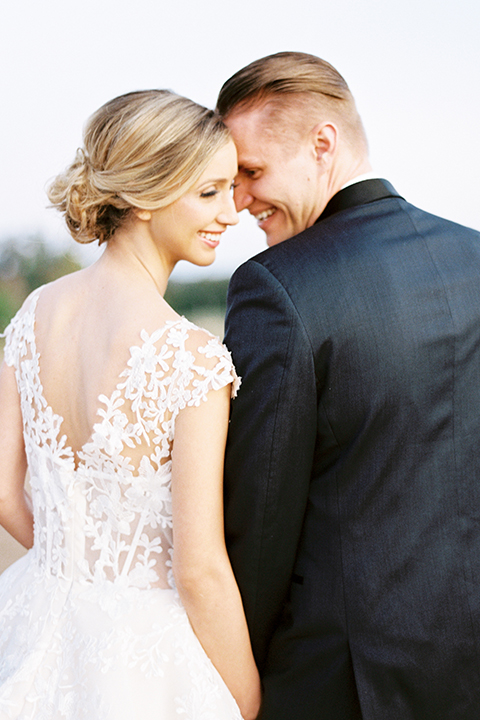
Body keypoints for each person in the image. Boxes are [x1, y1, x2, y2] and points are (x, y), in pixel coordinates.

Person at [217, 51, 480, 719]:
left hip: (339, 683)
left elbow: (259, 517)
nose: (240, 199)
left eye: (251, 172)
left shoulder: (276, 287)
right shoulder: (474, 255)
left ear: (322, 144)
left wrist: (230, 674)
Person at [0, 89, 261, 720]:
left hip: (36, 616)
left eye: (233, 189)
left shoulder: (36, 312)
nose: (232, 211)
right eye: (209, 192)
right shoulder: (190, 356)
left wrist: (77, 565)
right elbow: (198, 571)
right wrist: (247, 701)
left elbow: (5, 491)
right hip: (147, 661)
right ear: (145, 196)